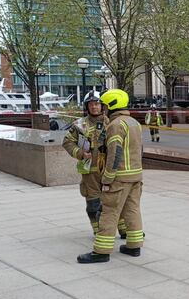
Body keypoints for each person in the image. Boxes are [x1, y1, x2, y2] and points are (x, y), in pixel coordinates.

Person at [78, 89, 145, 264]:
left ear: (112, 105)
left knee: (109, 212)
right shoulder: (134, 123)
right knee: (132, 210)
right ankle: (134, 245)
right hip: (136, 176)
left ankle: (101, 251)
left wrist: (107, 179)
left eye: (105, 105)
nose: (103, 108)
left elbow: (114, 154)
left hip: (119, 177)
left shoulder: (116, 125)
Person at [62, 91, 109, 238]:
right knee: (93, 202)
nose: (94, 107)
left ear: (102, 106)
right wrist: (80, 153)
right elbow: (67, 142)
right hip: (90, 171)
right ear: (86, 107)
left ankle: (123, 229)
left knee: (114, 200)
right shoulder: (79, 125)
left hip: (109, 169)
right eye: (91, 104)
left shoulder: (112, 123)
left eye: (97, 104)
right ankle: (98, 230)